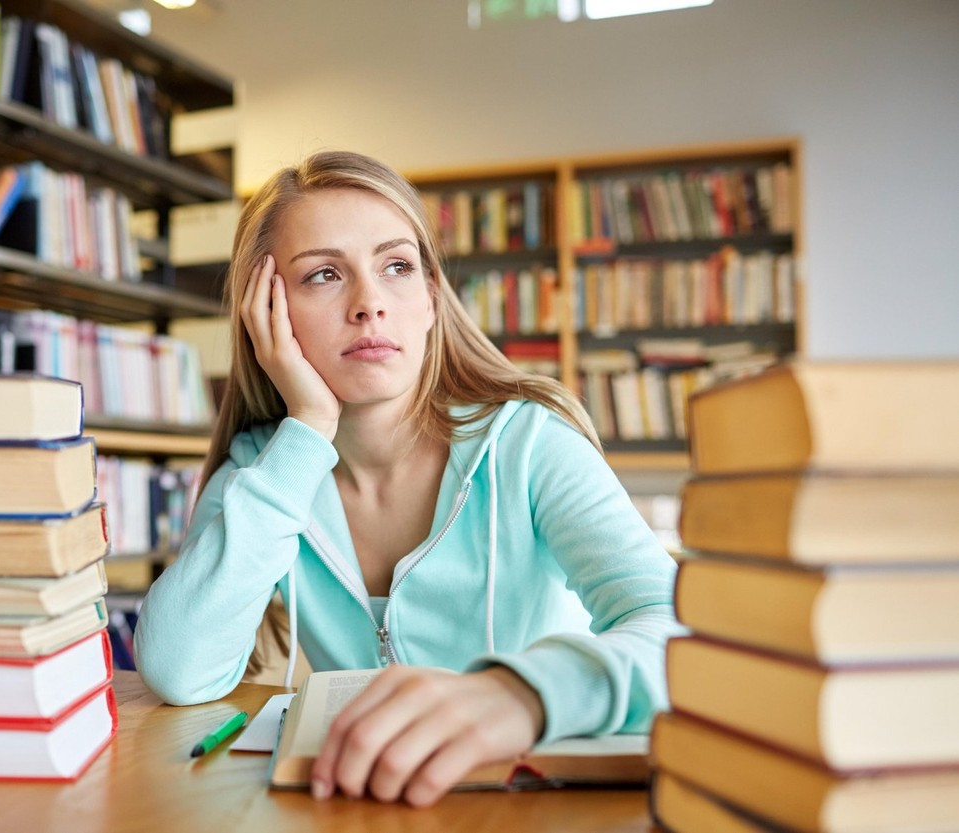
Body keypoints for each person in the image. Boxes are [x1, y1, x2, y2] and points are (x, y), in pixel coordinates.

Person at [133, 150, 680, 808]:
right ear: (265, 315)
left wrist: (519, 692)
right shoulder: (266, 466)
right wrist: (307, 428)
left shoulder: (531, 443)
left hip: (531, 805)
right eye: (325, 275)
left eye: (396, 266)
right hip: (369, 806)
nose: (369, 304)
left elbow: (679, 628)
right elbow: (178, 666)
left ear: (429, 299)